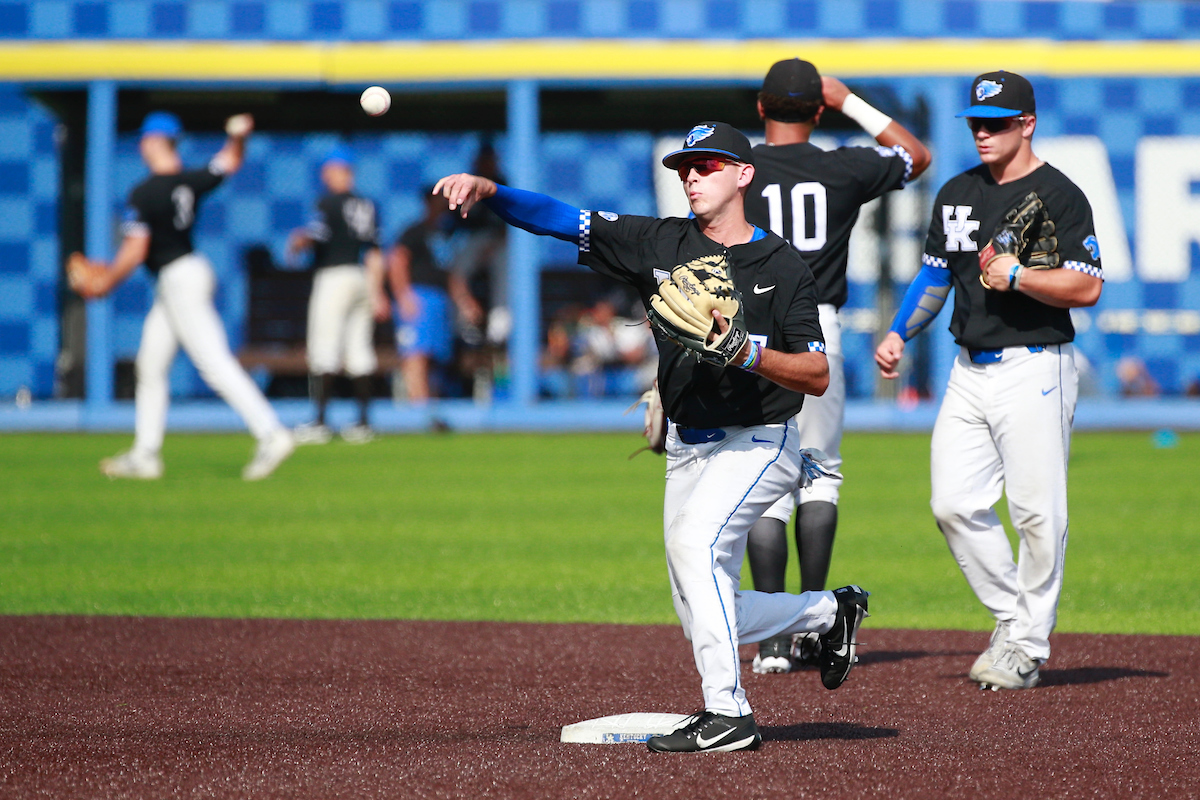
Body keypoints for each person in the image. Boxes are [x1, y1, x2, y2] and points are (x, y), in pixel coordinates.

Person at [434, 121, 870, 753]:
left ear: (743, 175)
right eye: (685, 168)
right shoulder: (656, 242)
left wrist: (745, 352)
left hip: (761, 439)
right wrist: (492, 192)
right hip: (687, 446)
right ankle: (830, 611)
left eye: (707, 166)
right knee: (701, 607)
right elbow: (562, 219)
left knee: (696, 546)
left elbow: (817, 373)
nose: (692, 176)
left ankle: (729, 714)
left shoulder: (782, 266)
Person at [875, 71, 1103, 690]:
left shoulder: (1059, 194)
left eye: (996, 122)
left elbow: (1086, 285)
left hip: (1035, 365)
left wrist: (1021, 277)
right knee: (952, 503)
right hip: (968, 370)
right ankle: (1012, 618)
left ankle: (1026, 646)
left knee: (1037, 513)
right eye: (976, 121)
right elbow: (936, 276)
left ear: (1027, 124)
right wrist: (899, 332)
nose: (983, 132)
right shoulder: (958, 192)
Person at [741, 58, 932, 674]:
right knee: (819, 473)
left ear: (761, 108)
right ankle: (812, 626)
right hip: (817, 325)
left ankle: (772, 640)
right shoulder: (843, 166)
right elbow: (916, 155)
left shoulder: (738, 167)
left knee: (760, 475)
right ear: (818, 112)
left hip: (748, 329)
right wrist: (850, 100)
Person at [71, 111, 295, 481]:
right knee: (151, 366)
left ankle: (272, 433)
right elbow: (229, 161)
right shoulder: (190, 181)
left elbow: (136, 249)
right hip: (183, 276)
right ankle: (145, 455)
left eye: (145, 140)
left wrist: (106, 281)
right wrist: (238, 138)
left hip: (178, 278)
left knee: (213, 363)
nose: (142, 146)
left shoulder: (145, 192)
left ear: (154, 142)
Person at [287, 145, 389, 444]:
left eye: (329, 171)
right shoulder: (367, 204)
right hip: (361, 276)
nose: (326, 176)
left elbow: (315, 236)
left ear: (338, 171)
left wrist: (299, 241)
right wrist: (378, 292)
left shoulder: (327, 202)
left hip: (334, 276)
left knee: (324, 347)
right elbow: (375, 252)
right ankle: (364, 423)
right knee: (360, 349)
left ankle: (320, 422)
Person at [388, 187, 484, 402]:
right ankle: (419, 409)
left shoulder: (446, 235)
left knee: (437, 359)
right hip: (419, 297)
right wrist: (404, 296)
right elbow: (397, 261)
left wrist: (466, 302)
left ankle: (430, 408)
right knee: (416, 355)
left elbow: (451, 275)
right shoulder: (414, 231)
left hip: (440, 301)